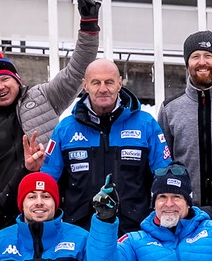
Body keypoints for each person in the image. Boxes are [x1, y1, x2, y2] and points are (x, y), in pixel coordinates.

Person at [0, 0, 101, 203]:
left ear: (18, 80)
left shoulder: (45, 98)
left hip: (45, 209)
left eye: (5, 79)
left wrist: (88, 26)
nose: (0, 87)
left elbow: (76, 72)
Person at [41, 56, 171, 235]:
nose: (103, 89)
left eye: (109, 82)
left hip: (134, 234)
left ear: (119, 83)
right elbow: (48, 182)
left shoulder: (146, 124)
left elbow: (164, 179)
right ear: (85, 86)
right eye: (96, 83)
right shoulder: (66, 129)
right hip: (80, 233)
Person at [159, 29, 212, 207]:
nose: (202, 62)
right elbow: (163, 162)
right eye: (195, 56)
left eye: (208, 55)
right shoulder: (170, 109)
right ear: (187, 63)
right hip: (186, 211)